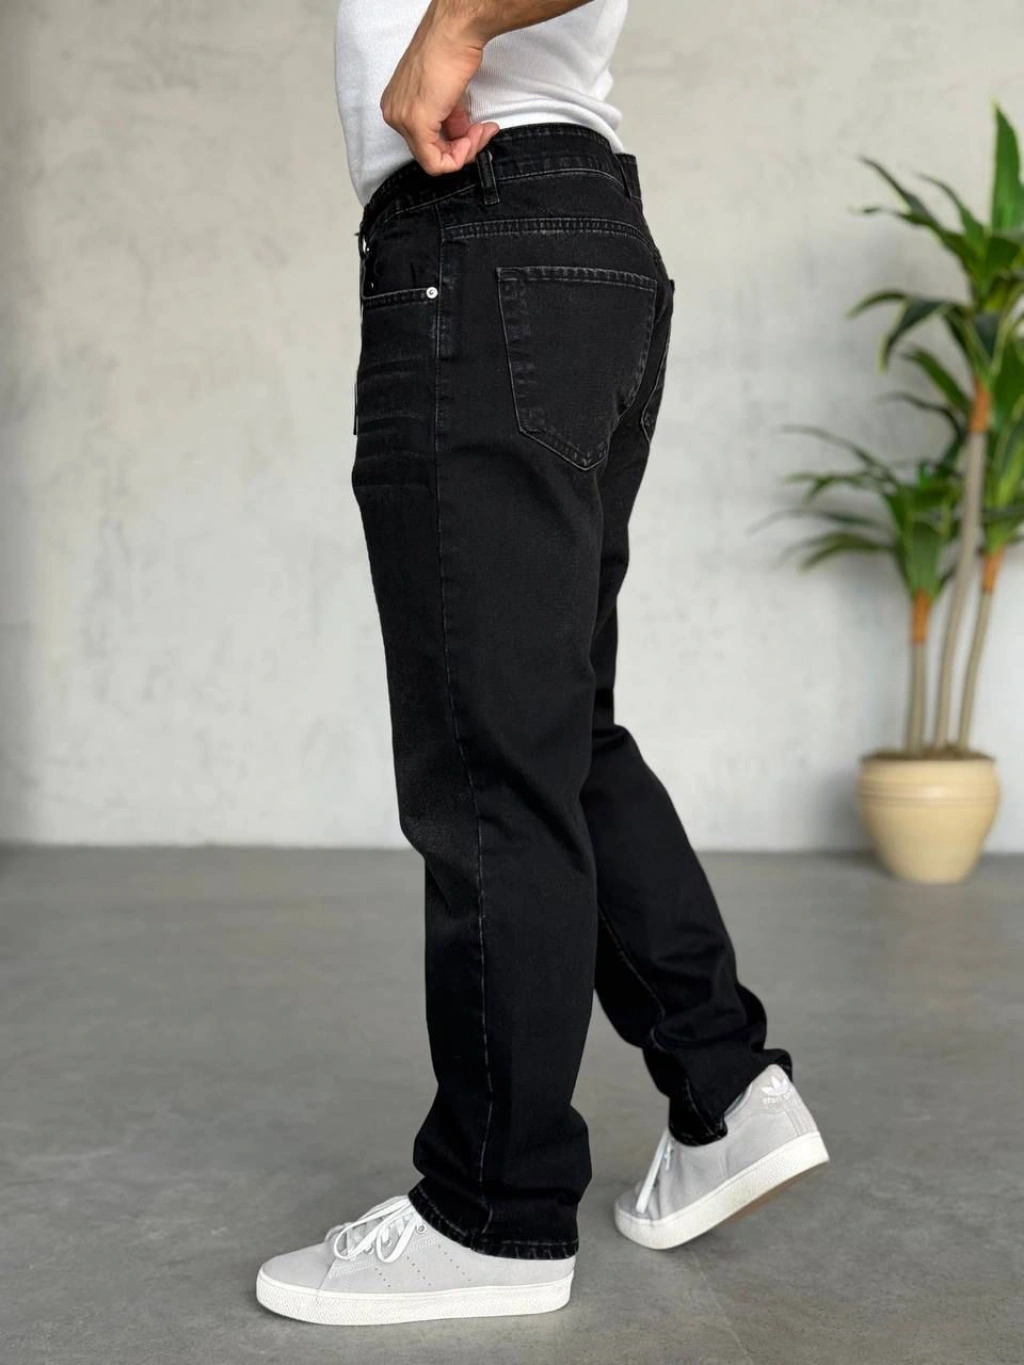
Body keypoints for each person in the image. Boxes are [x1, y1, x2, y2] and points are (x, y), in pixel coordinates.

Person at [256, 0, 828, 1328]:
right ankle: (723, 1087)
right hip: (572, 238)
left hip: (482, 228)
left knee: (488, 756)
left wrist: (457, 23)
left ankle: (493, 1210)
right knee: (553, 728)